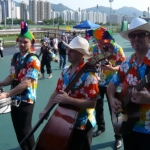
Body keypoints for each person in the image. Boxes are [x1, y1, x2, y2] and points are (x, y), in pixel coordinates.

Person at [39, 36, 99, 150]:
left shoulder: (90, 76)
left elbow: (92, 103)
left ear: (81, 54)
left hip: (83, 124)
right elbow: (57, 91)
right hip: (65, 121)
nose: (68, 53)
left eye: (72, 50)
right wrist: (46, 109)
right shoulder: (65, 70)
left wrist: (68, 100)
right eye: (68, 50)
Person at [107, 17, 150, 150]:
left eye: (141, 34)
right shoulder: (127, 63)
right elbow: (111, 86)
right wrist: (112, 99)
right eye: (132, 35)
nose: (136, 38)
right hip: (129, 126)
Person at [0, 21, 40, 150]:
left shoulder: (34, 60)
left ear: (31, 43)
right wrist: (0, 83)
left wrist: (7, 94)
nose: (22, 44)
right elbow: (11, 76)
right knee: (17, 129)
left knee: (26, 130)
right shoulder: (16, 57)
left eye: (25, 42)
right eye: (20, 41)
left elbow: (27, 82)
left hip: (26, 99)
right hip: (15, 98)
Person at [89, 27, 126, 149]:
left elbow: (123, 67)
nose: (99, 44)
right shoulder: (95, 48)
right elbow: (90, 62)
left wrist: (111, 68)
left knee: (115, 110)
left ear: (108, 39)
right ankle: (101, 127)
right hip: (98, 83)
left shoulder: (117, 49)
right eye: (98, 41)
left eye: (102, 41)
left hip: (113, 84)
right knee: (98, 107)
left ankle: (118, 136)